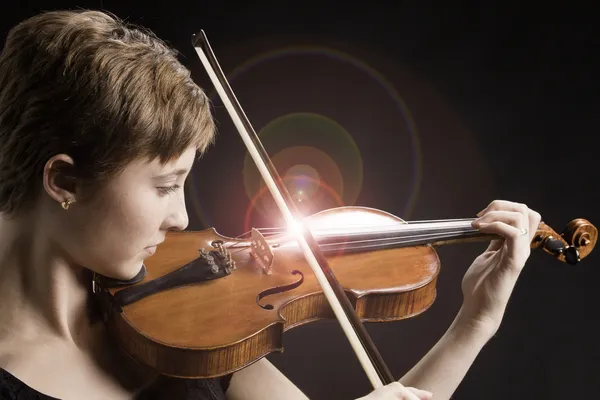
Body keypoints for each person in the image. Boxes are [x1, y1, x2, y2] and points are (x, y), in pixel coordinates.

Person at [0, 9, 541, 400]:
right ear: (64, 180)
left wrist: (476, 321)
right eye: (165, 185)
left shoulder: (187, 323)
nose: (182, 219)